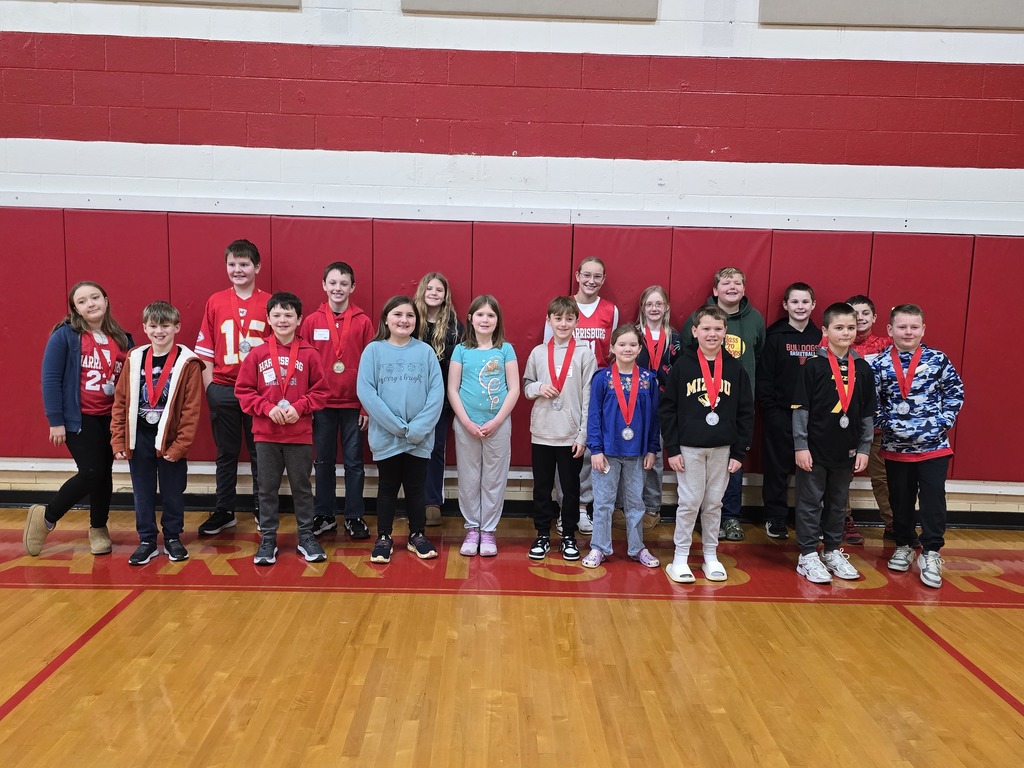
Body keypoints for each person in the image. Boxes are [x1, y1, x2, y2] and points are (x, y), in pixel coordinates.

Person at [26, 281, 134, 557]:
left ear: (106, 300)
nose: (90, 304)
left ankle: (98, 528)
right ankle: (46, 517)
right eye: (82, 301)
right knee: (92, 471)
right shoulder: (65, 336)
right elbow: (50, 379)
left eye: (95, 297)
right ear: (75, 308)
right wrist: (56, 420)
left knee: (104, 473)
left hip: (110, 418)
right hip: (78, 418)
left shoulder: (123, 339)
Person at [873, 304, 964, 589]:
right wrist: (887, 424)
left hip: (933, 446)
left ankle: (932, 552)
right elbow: (871, 402)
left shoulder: (938, 360)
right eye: (902, 327)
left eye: (914, 327)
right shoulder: (879, 364)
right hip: (895, 447)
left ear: (923, 329)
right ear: (890, 330)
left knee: (933, 500)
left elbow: (955, 392)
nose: (908, 332)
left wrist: (941, 422)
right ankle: (903, 545)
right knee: (900, 498)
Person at [661, 306, 754, 584]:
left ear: (726, 332)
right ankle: (680, 558)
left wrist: (740, 452)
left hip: (723, 449)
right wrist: (673, 449)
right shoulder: (683, 366)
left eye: (717, 329)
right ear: (694, 331)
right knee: (689, 503)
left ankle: (710, 555)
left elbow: (745, 412)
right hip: (688, 448)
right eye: (706, 328)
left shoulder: (735, 368)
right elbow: (668, 410)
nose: (712, 334)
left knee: (714, 504)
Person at [235, 292, 329, 565]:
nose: (282, 320)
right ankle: (268, 538)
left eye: (289, 315)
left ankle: (306, 535)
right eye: (276, 315)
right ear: (268, 318)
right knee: (266, 488)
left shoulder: (310, 354)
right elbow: (243, 391)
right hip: (266, 434)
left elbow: (320, 392)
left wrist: (299, 407)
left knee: (301, 487)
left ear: (300, 319)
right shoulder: (257, 353)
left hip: (299, 434)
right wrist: (267, 408)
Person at [110, 301, 204, 565]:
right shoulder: (134, 358)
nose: (159, 331)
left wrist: (180, 446)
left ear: (177, 327)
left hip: (171, 437)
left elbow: (191, 410)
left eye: (165, 325)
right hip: (139, 435)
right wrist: (118, 438)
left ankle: (173, 537)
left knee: (173, 491)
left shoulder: (188, 363)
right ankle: (147, 540)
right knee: (142, 491)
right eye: (153, 326)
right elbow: (120, 402)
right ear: (144, 328)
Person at [792, 303, 876, 584]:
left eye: (851, 327)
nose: (846, 333)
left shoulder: (862, 369)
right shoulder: (812, 366)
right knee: (810, 502)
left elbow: (866, 413)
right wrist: (800, 446)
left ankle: (831, 550)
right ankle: (807, 555)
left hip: (847, 450)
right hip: (814, 449)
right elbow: (801, 409)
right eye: (839, 327)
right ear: (825, 331)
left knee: (838, 504)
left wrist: (864, 447)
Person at [357, 296, 445, 563]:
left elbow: (436, 394)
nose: (404, 320)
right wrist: (396, 426)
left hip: (418, 438)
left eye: (409, 315)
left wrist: (418, 428)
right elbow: (366, 392)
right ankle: (384, 536)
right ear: (386, 319)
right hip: (387, 436)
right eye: (397, 314)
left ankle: (417, 535)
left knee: (416, 488)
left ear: (416, 321)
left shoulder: (425, 352)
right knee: (387, 488)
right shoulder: (373, 351)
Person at [194, 239, 269, 536]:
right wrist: (210, 386)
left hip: (259, 392)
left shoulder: (269, 302)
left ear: (257, 267)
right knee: (225, 453)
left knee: (260, 453)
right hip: (223, 387)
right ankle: (225, 509)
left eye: (244, 264)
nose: (238, 270)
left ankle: (263, 508)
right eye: (232, 264)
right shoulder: (215, 301)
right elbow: (206, 348)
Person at [687, 267, 765, 542]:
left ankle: (730, 517)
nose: (732, 286)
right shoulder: (698, 317)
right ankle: (701, 517)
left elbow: (758, 353)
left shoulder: (755, 318)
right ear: (715, 290)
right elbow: (687, 353)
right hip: (701, 402)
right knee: (700, 468)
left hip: (736, 404)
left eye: (738, 282)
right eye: (726, 282)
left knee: (733, 463)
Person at [301, 261, 375, 541]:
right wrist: (308, 403)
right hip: (321, 405)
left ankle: (354, 515)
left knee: (355, 462)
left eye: (344, 284)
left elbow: (370, 367)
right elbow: (304, 363)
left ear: (352, 287)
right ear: (324, 285)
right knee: (322, 462)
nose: (338, 288)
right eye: (332, 283)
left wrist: (366, 405)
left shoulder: (363, 321)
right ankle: (324, 514)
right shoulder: (311, 321)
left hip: (354, 406)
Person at [545, 257, 619, 535]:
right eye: (586, 274)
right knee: (564, 448)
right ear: (577, 275)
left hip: (597, 386)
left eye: (597, 276)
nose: (591, 280)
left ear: (603, 279)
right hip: (565, 388)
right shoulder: (562, 307)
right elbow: (547, 348)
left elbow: (612, 353)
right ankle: (565, 508)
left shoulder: (611, 311)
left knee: (588, 449)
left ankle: (581, 507)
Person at [523, 296, 597, 561]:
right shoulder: (538, 352)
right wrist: (537, 387)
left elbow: (589, 398)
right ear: (549, 320)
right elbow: (526, 385)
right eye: (558, 318)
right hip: (542, 432)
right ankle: (542, 534)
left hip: (571, 436)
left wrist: (583, 434)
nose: (563, 323)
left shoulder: (585, 355)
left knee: (570, 489)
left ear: (577, 321)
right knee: (542, 487)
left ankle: (568, 536)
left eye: (569, 318)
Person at [583, 325, 660, 570]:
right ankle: (599, 547)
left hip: (637, 453)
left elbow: (655, 418)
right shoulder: (602, 378)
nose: (627, 349)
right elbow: (593, 416)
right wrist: (595, 449)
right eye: (622, 344)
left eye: (633, 345)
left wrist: (652, 449)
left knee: (636, 502)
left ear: (639, 349)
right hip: (606, 453)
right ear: (613, 348)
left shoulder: (649, 380)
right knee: (604, 502)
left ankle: (637, 548)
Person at [449, 295, 520, 557]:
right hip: (466, 425)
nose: (485, 319)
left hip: (498, 426)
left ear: (497, 320)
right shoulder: (461, 350)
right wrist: (466, 422)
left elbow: (514, 389)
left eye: (491, 315)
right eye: (480, 314)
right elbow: (452, 389)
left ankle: (488, 530)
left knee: (493, 478)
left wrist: (497, 420)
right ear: (470, 318)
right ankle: (472, 529)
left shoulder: (505, 350)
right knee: (469, 478)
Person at [614, 284, 681, 531]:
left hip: (662, 407)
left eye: (658, 304)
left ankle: (652, 507)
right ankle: (620, 506)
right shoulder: (632, 335)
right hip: (630, 405)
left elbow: (679, 373)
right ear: (642, 307)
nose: (654, 308)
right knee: (626, 455)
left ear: (666, 308)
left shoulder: (674, 338)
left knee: (655, 458)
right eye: (649, 304)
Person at [757, 282, 820, 540]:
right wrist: (771, 411)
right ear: (785, 305)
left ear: (813, 305)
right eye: (795, 302)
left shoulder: (820, 338)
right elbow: (765, 379)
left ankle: (809, 519)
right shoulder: (774, 337)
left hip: (813, 417)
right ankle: (776, 517)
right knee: (777, 467)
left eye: (805, 302)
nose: (800, 307)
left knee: (811, 469)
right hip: (781, 413)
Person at [840, 294, 893, 545]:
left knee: (883, 478)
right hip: (844, 425)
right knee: (841, 476)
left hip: (878, 426)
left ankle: (894, 523)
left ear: (874, 317)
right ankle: (842, 521)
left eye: (865, 313)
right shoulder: (834, 344)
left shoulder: (887, 345)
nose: (860, 318)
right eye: (854, 313)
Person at [413, 272, 463, 527]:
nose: (433, 293)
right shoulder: (409, 318)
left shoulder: (454, 325)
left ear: (445, 295)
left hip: (441, 399)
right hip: (410, 398)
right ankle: (413, 499)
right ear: (422, 290)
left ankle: (432, 501)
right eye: (429, 288)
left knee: (435, 449)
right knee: (411, 447)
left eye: (439, 289)